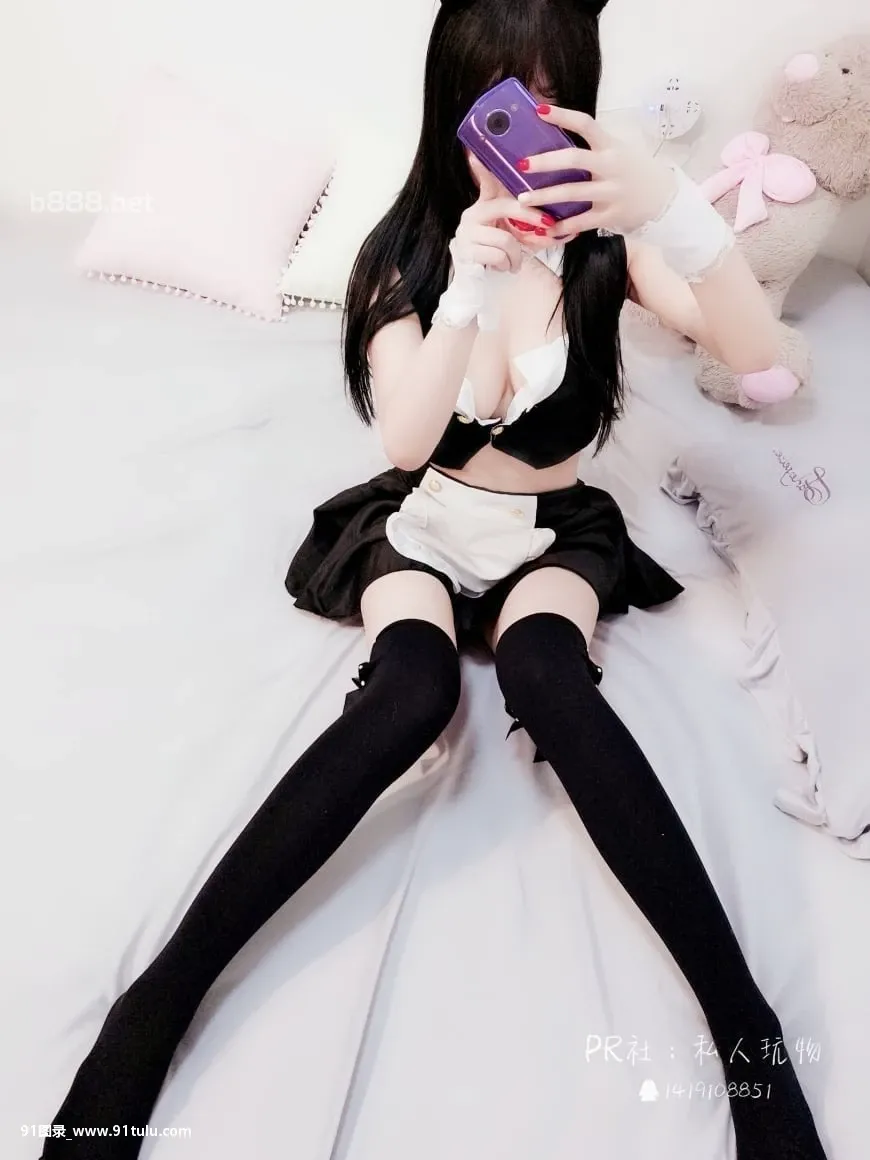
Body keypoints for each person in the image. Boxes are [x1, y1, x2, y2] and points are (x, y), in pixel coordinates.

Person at [41, 1, 828, 1157]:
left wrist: (678, 214)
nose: (524, 130)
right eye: (499, 100)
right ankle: (154, 1005)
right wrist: (461, 285)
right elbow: (406, 441)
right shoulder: (403, 252)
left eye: (550, 101)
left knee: (549, 678)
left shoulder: (606, 248)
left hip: (548, 529)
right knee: (412, 689)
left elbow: (761, 361)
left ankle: (747, 1034)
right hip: (425, 522)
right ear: (453, 103)